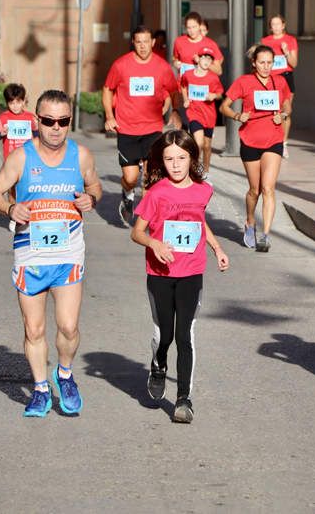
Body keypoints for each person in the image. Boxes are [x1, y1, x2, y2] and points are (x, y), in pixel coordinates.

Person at [0, 89, 103, 418]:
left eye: (63, 121)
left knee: (68, 327)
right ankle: (39, 389)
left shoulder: (81, 156)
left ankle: (63, 375)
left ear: (69, 122)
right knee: (34, 330)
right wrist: (10, 208)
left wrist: (90, 200)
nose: (55, 127)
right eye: (48, 121)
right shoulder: (21, 157)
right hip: (31, 255)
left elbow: (95, 186)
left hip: (67, 253)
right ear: (36, 120)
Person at [131, 129, 229, 423]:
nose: (175, 164)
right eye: (169, 158)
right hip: (160, 272)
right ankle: (158, 364)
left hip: (192, 272)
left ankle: (183, 399)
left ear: (192, 159)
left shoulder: (203, 190)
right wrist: (155, 243)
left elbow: (200, 222)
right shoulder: (156, 192)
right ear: (162, 161)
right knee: (165, 334)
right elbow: (137, 232)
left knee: (185, 335)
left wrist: (217, 247)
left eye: (181, 158)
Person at [103, 25, 182, 226]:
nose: (143, 46)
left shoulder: (162, 66)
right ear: (133, 43)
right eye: (139, 42)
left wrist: (174, 110)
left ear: (153, 43)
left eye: (146, 42)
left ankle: (146, 222)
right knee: (131, 177)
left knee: (150, 178)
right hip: (127, 129)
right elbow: (107, 89)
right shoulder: (121, 65)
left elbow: (173, 90)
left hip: (153, 129)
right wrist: (109, 116)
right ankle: (127, 193)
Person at [219, 45, 291, 252]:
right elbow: (224, 106)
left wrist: (283, 115)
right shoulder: (244, 82)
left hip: (274, 139)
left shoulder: (280, 81)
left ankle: (265, 235)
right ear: (254, 63)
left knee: (268, 188)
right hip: (250, 140)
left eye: (270, 62)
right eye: (262, 62)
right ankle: (250, 221)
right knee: (255, 190)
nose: (266, 67)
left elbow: (287, 106)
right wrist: (237, 116)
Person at [180, 46, 223, 176]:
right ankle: (195, 169)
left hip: (209, 115)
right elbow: (183, 86)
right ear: (198, 58)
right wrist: (186, 99)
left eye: (209, 59)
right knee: (198, 143)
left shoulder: (213, 78)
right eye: (204, 57)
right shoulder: (188, 75)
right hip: (194, 113)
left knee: (207, 146)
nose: (206, 61)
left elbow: (220, 93)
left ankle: (206, 172)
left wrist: (214, 96)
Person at [260, 14, 298, 156]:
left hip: (285, 77)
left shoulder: (290, 40)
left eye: (278, 24)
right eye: (273, 24)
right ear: (270, 27)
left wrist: (286, 51)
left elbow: (294, 63)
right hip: (269, 78)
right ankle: (270, 141)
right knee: (269, 110)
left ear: (283, 25)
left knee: (285, 111)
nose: (275, 27)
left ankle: (283, 143)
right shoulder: (265, 41)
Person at [0, 83, 38, 161]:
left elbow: (37, 136)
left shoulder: (31, 117)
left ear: (23, 101)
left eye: (18, 102)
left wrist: (37, 129)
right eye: (11, 103)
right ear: (7, 103)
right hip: (10, 159)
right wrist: (1, 134)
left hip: (27, 158)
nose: (15, 106)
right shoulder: (2, 118)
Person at [172, 12, 223, 77]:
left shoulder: (210, 44)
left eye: (194, 27)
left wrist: (202, 63)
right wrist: (175, 63)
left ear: (199, 26)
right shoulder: (179, 41)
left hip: (202, 84)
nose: (192, 31)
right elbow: (174, 58)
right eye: (189, 28)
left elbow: (218, 71)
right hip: (184, 84)